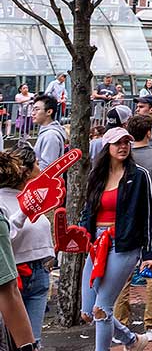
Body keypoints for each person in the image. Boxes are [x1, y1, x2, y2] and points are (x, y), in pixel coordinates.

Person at [79, 127, 152, 351]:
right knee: (87, 312)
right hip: (97, 244)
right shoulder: (97, 175)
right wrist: (82, 236)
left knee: (101, 309)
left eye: (126, 142)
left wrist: (149, 253)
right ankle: (132, 340)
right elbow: (88, 211)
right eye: (117, 143)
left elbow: (149, 214)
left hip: (123, 245)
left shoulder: (138, 175)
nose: (123, 147)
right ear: (107, 147)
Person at [114, 115, 152, 342]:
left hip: (127, 226)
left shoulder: (121, 159)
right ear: (149, 132)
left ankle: (120, 324)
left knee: (122, 276)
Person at [0, 146, 53, 346]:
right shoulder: (2, 201)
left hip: (39, 274)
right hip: (14, 277)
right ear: (26, 171)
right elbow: (5, 240)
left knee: (34, 341)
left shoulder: (33, 197)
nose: (40, 168)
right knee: (11, 341)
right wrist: (22, 213)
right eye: (37, 164)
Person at [30, 95, 68, 170]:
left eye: (37, 109)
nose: (33, 113)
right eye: (33, 109)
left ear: (49, 112)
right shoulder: (46, 133)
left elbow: (47, 168)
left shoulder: (50, 135)